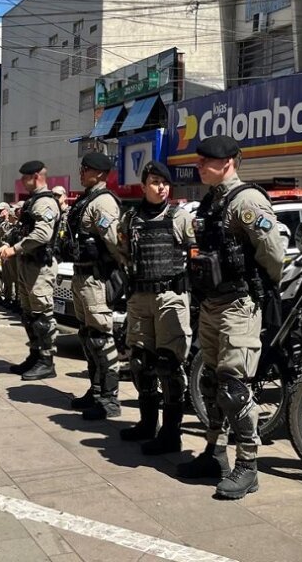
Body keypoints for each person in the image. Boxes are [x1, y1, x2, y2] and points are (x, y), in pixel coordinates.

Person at [177, 135, 285, 500]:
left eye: (206, 162)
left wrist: (260, 288)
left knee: (235, 388)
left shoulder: (247, 201)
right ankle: (215, 453)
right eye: (200, 161)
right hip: (211, 304)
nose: (200, 167)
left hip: (238, 306)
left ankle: (248, 466)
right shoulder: (212, 202)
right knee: (211, 383)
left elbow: (273, 254)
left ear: (227, 163)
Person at [118, 162, 195, 453]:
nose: (161, 187)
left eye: (164, 182)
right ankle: (147, 424)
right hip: (139, 298)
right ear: (143, 186)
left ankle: (171, 434)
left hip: (170, 298)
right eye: (154, 181)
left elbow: (196, 253)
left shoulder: (181, 217)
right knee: (140, 363)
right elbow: (123, 252)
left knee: (169, 366)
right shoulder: (130, 219)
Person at [62, 152, 126, 420]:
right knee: (88, 336)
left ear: (99, 173)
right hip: (81, 276)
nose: (81, 172)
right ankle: (96, 389)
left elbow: (115, 243)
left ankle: (109, 398)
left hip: (97, 278)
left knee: (100, 337)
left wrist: (123, 272)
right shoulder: (87, 199)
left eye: (85, 169)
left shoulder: (103, 203)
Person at [0, 161, 61, 380]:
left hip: (40, 266)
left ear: (36, 176)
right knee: (29, 314)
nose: (22, 182)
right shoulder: (33, 202)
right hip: (28, 264)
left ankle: (47, 360)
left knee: (42, 315)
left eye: (25, 178)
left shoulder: (45, 203)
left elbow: (42, 235)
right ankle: (35, 355)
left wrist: (15, 249)